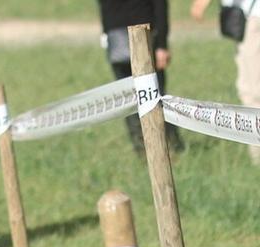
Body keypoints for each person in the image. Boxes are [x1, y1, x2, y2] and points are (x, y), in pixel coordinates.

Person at [98, 0, 184, 152]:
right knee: (154, 97)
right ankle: (167, 147)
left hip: (119, 37)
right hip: (142, 35)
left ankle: (151, 148)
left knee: (133, 98)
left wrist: (106, 34)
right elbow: (160, 5)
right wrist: (162, 44)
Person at [191, 0, 260, 164]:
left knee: (254, 92)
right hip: (250, 16)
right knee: (248, 89)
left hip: (254, 17)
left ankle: (257, 156)